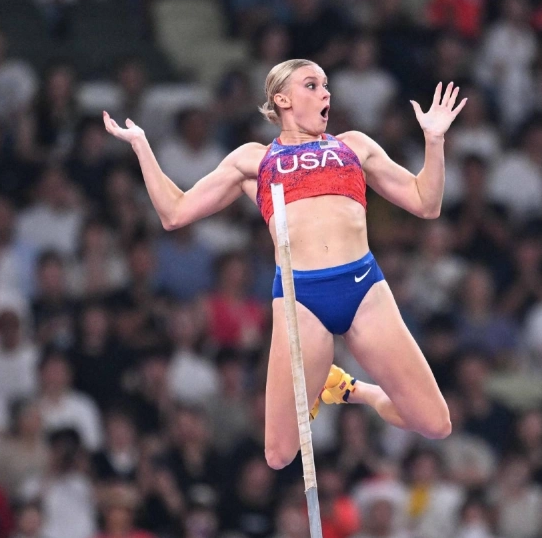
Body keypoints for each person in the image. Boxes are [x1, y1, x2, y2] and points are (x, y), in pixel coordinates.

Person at [104, 59, 461, 469]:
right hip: (301, 298)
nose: (326, 92)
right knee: (278, 454)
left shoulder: (354, 145)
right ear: (282, 99)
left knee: (435, 423)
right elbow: (174, 212)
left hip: (364, 287)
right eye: (312, 85)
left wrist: (434, 141)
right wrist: (141, 145)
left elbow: (426, 203)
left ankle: (352, 390)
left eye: (326, 85)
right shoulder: (254, 160)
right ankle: (329, 384)